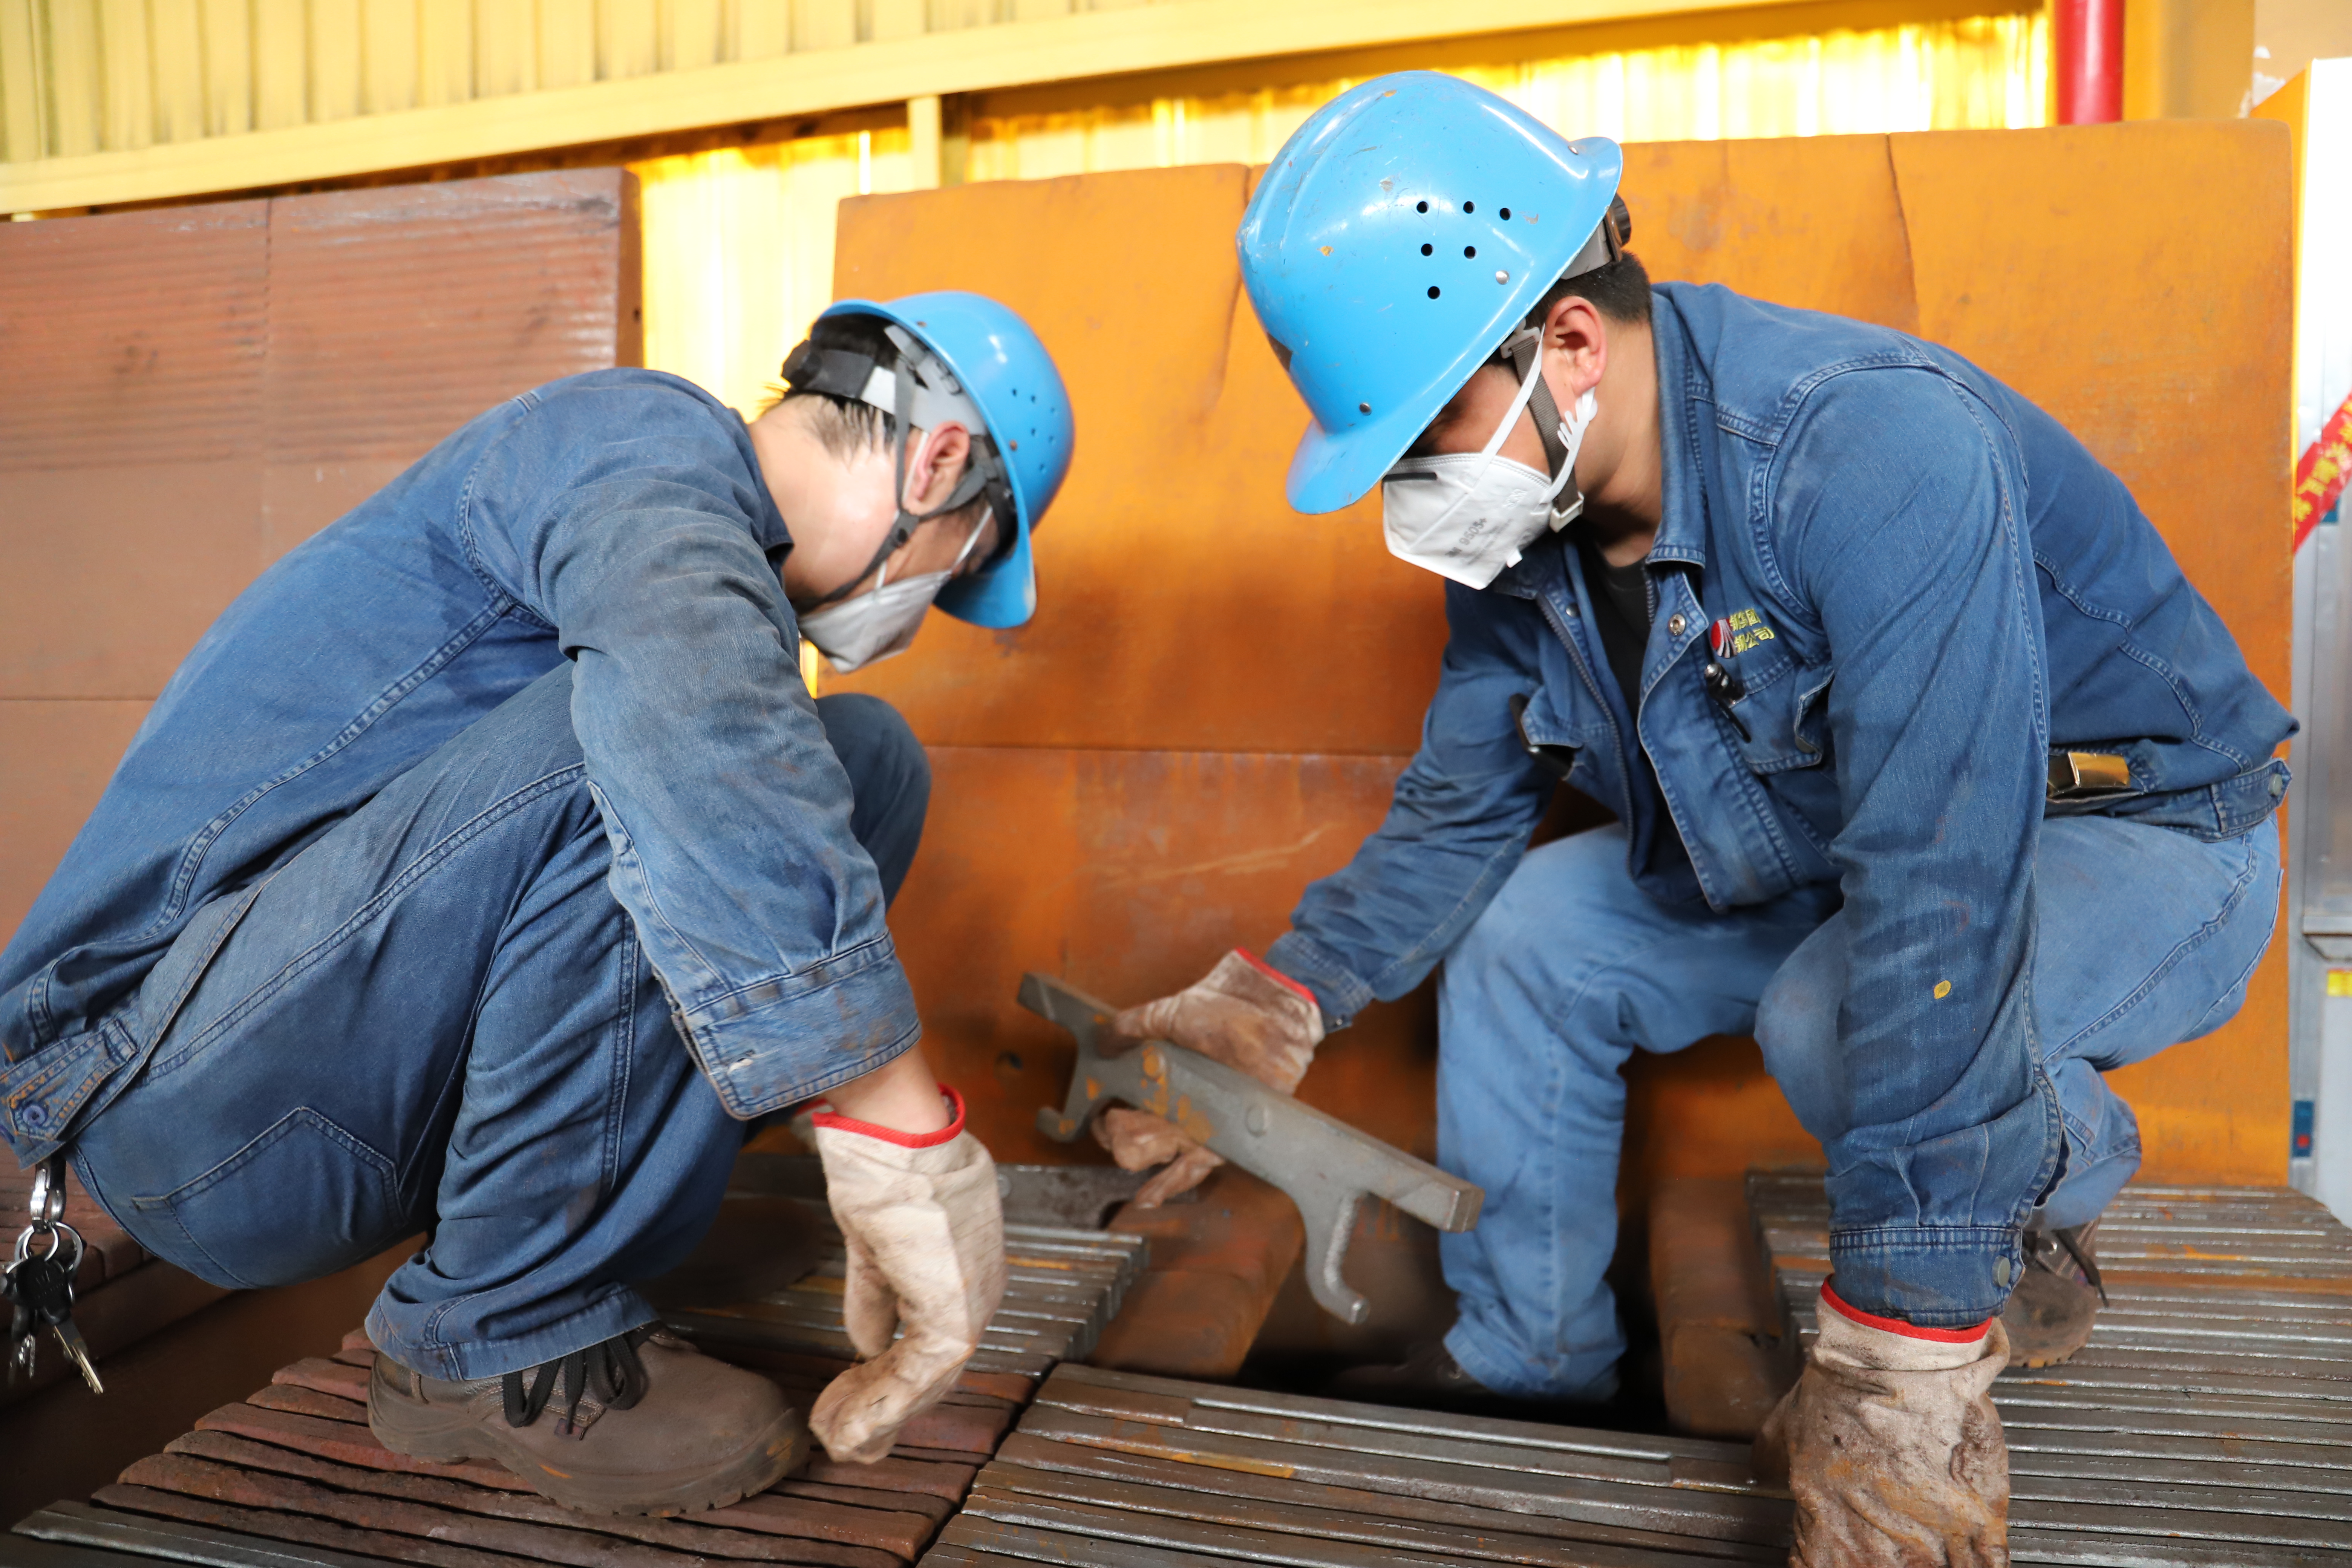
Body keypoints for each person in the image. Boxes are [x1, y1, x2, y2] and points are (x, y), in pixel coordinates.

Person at [1098, 72, 2290, 1563]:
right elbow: (1460, 816)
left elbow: (1944, 880)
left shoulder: (1865, 449)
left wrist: (1903, 1353)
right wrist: (1271, 1002)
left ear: (1574, 341)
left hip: (2139, 833)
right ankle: (1531, 1361)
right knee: (1535, 933)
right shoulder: (1530, 533)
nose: (1415, 491)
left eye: (1427, 431)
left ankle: (2037, 1184)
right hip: (1829, 834)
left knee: (1831, 1010)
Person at [0, 292, 1072, 1516]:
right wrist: (900, 1128)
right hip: (186, 1110)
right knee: (656, 730)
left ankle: (548, 1259)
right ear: (934, 466)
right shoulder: (630, 437)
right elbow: (688, 717)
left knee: (858, 756)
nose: (927, 612)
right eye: (962, 564)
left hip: (332, 1078)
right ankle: (500, 1333)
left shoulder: (700, 571)